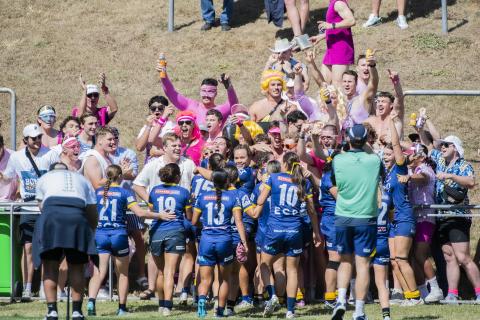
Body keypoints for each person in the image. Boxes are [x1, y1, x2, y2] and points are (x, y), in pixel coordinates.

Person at [253, 152, 321, 318]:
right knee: (292, 270)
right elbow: (311, 211)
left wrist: (255, 207)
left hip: (274, 229)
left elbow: (261, 201)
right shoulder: (303, 182)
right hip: (294, 230)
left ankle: (273, 295)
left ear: (284, 163)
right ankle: (290, 310)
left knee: (264, 265)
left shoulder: (273, 178)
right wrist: (316, 233)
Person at [87, 165, 159, 316]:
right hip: (118, 234)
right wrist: (160, 215)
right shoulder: (125, 192)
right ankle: (121, 308)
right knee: (122, 274)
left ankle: (91, 302)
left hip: (101, 234)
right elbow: (139, 213)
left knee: (100, 271)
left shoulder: (97, 192)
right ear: (120, 176)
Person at [133, 133, 196, 299]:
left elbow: (195, 183)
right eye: (173, 146)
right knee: (156, 255)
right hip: (158, 217)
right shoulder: (154, 164)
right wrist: (153, 205)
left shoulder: (188, 163)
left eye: (179, 145)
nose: (177, 148)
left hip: (182, 216)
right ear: (164, 148)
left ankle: (181, 288)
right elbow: (137, 185)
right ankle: (153, 288)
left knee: (185, 252)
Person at [33, 162, 97, 320]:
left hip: (52, 218)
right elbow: (92, 211)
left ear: (51, 171)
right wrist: (90, 232)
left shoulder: (44, 178)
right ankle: (77, 312)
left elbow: (42, 207)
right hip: (77, 219)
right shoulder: (82, 179)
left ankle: (51, 312)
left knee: (50, 267)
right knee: (77, 268)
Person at [330, 124, 382, 320]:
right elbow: (370, 152)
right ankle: (359, 311)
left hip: (343, 217)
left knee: (344, 262)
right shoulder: (374, 161)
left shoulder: (339, 159)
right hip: (366, 218)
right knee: (362, 265)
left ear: (348, 140)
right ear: (366, 140)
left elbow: (334, 183)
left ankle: (341, 300)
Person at [0, 124, 54, 301]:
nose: (37, 141)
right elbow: (9, 177)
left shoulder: (50, 153)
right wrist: (2, 177)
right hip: (27, 206)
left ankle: (47, 288)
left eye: (39, 137)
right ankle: (27, 288)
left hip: (46, 206)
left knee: (47, 247)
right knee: (28, 247)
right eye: (33, 138)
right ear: (25, 140)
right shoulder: (16, 157)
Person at [192, 170, 249, 318]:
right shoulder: (232, 197)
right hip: (225, 241)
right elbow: (238, 221)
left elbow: (193, 221)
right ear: (227, 182)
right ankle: (219, 312)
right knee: (224, 279)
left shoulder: (202, 196)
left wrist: (204, 226)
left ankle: (202, 300)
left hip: (206, 240)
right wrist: (244, 242)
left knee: (205, 279)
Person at [430, 135, 480, 302]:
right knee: (449, 256)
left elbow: (471, 182)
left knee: (462, 257)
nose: (442, 147)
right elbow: (431, 141)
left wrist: (450, 176)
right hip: (442, 217)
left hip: (457, 216)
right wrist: (421, 126)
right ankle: (452, 293)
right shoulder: (440, 160)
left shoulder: (464, 165)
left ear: (455, 148)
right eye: (442, 145)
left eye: (446, 145)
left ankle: (479, 292)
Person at [383, 114, 422, 306]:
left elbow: (397, 145)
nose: (385, 156)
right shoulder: (388, 175)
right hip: (393, 220)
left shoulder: (400, 168)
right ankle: (408, 296)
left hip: (404, 217)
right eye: (384, 154)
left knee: (402, 258)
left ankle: (415, 296)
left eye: (388, 154)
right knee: (393, 260)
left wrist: (390, 122)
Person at [148, 163, 192, 316]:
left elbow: (152, 211)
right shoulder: (183, 192)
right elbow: (190, 217)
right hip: (175, 231)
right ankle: (167, 306)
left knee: (161, 271)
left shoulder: (154, 190)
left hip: (156, 231)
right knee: (169, 271)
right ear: (178, 176)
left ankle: (161, 304)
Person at [406, 144, 444, 303]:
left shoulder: (425, 169)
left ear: (421, 157)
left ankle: (436, 289)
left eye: (412, 155)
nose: (409, 157)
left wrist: (408, 177)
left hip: (425, 218)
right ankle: (422, 291)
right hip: (415, 217)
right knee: (414, 257)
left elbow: (424, 178)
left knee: (421, 254)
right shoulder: (414, 170)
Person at [157, 55, 238, 125]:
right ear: (200, 91)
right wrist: (163, 77)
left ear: (216, 93)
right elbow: (171, 93)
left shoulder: (220, 110)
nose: (206, 95)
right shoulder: (190, 106)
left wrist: (229, 87)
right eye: (204, 91)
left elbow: (234, 105)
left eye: (210, 92)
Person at [309, 0, 356, 87]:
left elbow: (351, 21)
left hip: (341, 49)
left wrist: (331, 25)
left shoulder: (339, 3)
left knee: (337, 87)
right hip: (331, 49)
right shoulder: (332, 3)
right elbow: (338, 27)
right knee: (323, 85)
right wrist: (321, 36)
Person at [135, 96, 176, 163]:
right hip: (150, 166)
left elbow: (173, 148)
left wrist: (158, 152)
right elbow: (139, 147)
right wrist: (148, 126)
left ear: (166, 109)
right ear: (150, 111)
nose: (157, 110)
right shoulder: (146, 127)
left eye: (160, 108)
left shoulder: (172, 126)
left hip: (168, 165)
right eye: (153, 108)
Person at [0, 134, 18, 201]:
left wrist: (18, 196)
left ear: (2, 145)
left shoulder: (14, 156)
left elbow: (22, 179)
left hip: (10, 203)